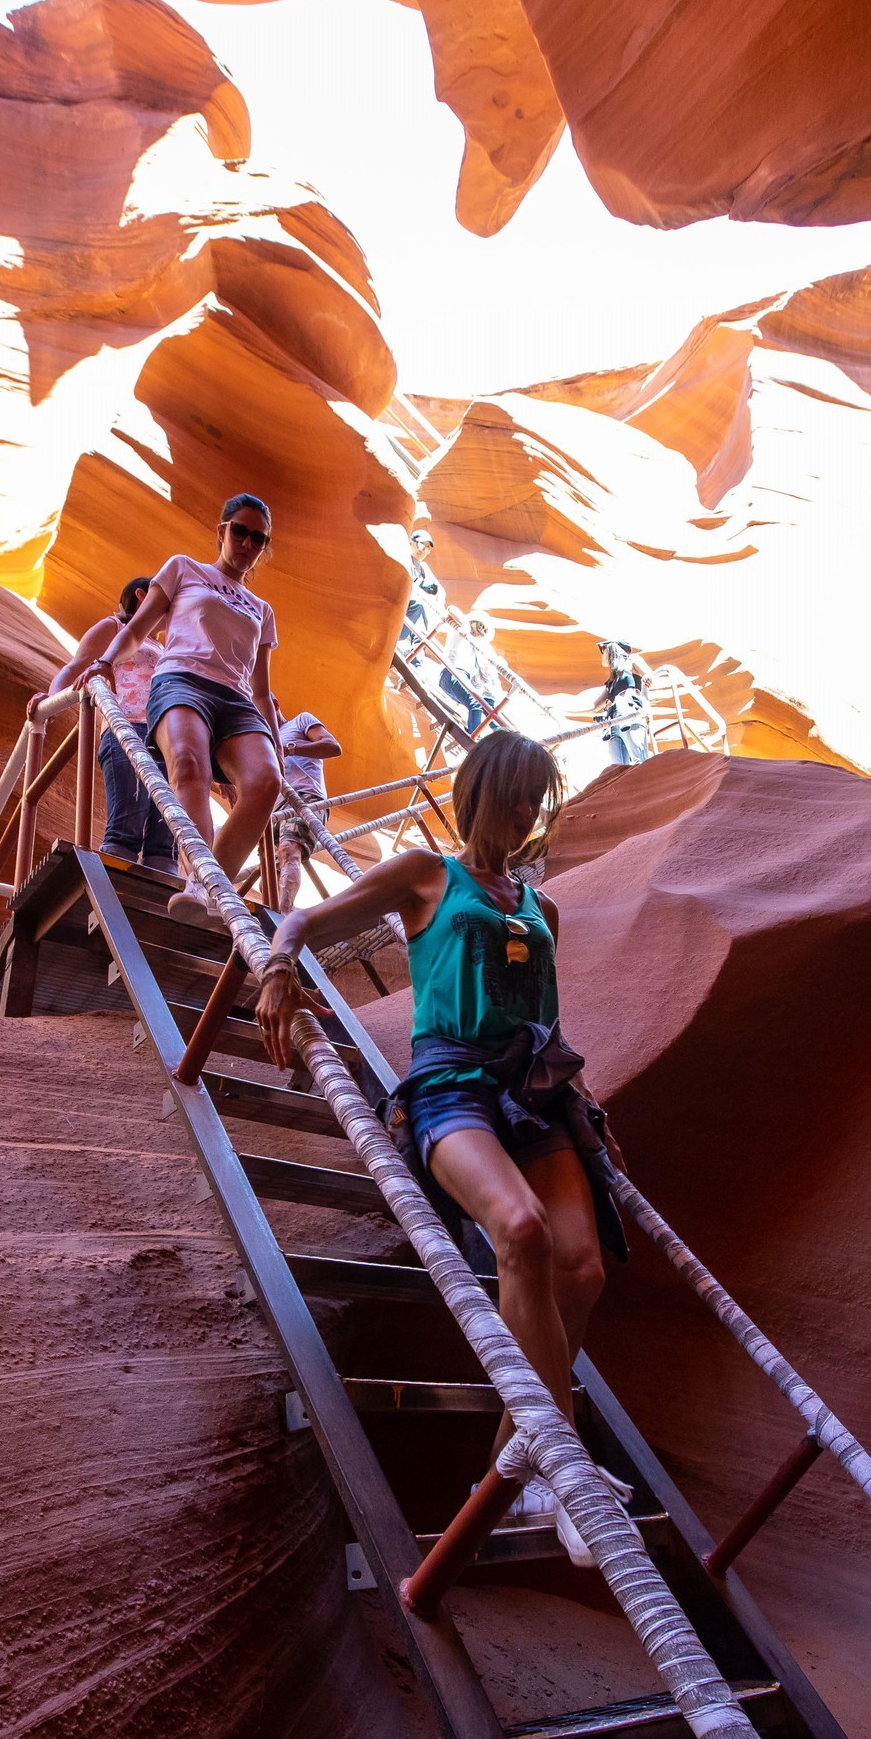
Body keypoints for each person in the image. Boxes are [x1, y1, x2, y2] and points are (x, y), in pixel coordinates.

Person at [255, 731, 628, 1565]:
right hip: (452, 1087)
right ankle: (566, 1468)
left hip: (537, 1097)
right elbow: (306, 918)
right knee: (521, 1233)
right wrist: (280, 966)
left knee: (585, 1267)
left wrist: (588, 1109)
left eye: (539, 798)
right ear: (480, 791)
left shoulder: (541, 905)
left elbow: (550, 1022)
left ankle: (525, 1467)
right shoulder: (430, 874)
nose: (528, 812)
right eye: (516, 794)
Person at [90, 493, 283, 922]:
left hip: (235, 700)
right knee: (190, 766)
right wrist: (105, 662)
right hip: (182, 680)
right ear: (221, 531)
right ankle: (200, 880)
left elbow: (261, 689)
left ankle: (209, 886)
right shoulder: (184, 568)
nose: (248, 544)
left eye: (259, 538)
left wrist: (278, 744)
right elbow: (138, 629)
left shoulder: (263, 610)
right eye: (240, 531)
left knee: (266, 783)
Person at [29, 578, 175, 870]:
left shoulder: (165, 645)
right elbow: (78, 664)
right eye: (168, 601)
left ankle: (158, 903)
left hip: (165, 735)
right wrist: (51, 698)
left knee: (166, 830)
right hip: (127, 726)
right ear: (142, 595)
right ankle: (111, 892)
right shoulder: (115, 628)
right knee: (128, 820)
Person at [274, 706, 343, 910]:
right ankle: (277, 916)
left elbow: (332, 746)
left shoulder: (300, 721)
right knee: (271, 876)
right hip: (274, 808)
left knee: (289, 849)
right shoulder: (262, 738)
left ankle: (283, 916)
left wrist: (290, 749)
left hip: (304, 797)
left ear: (274, 704)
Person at [598, 638, 653, 766]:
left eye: (602, 649)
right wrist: (562, 710)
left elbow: (649, 675)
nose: (601, 654)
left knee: (639, 761)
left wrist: (647, 680)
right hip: (613, 723)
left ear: (612, 648)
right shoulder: (611, 682)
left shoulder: (630, 661)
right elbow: (594, 706)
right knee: (618, 769)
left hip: (630, 715)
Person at [399, 528, 446, 652]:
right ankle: (408, 647)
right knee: (419, 606)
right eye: (420, 545)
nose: (422, 550)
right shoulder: (403, 558)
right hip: (403, 606)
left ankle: (417, 657)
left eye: (427, 548)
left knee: (425, 618)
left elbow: (439, 591)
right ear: (411, 542)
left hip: (415, 614)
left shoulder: (424, 568)